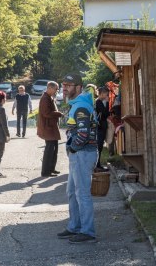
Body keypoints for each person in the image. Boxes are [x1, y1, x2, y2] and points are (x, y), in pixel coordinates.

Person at [57, 73, 98, 244]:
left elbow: (83, 133)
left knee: (82, 194)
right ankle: (74, 227)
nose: (65, 88)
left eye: (69, 85)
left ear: (79, 87)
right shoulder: (77, 104)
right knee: (72, 192)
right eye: (64, 84)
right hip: (79, 154)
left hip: (83, 153)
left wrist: (72, 147)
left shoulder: (81, 106)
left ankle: (87, 232)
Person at [38, 81, 63, 177]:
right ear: (50, 88)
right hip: (48, 128)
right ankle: (45, 172)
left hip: (51, 127)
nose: (57, 91)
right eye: (56, 89)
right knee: (49, 150)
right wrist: (58, 114)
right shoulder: (45, 98)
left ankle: (51, 168)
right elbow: (46, 113)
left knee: (54, 149)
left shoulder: (49, 97)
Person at [94, 86, 110, 171]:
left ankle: (98, 165)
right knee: (99, 146)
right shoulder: (98, 102)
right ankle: (97, 165)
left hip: (99, 127)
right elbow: (105, 113)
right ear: (102, 93)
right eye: (106, 94)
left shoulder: (98, 102)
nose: (107, 96)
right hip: (100, 127)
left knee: (99, 146)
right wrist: (107, 103)